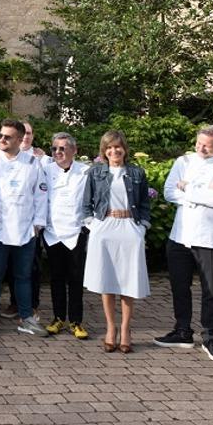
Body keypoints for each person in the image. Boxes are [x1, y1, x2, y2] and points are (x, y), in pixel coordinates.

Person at [157, 124, 213, 363]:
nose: (200, 148)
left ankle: (210, 336)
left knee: (211, 290)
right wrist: (201, 191)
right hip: (181, 234)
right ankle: (182, 331)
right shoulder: (183, 161)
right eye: (199, 142)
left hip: (210, 237)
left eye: (207, 145)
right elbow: (168, 192)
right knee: (179, 286)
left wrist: (188, 187)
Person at [0, 118, 49, 339]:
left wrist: (38, 224)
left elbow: (41, 195)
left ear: (20, 139)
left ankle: (26, 317)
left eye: (8, 137)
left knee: (23, 276)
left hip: (25, 229)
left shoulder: (32, 163)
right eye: (1, 136)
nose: (2, 140)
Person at [81, 130, 151, 354]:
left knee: (128, 280)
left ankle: (126, 329)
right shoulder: (96, 172)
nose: (114, 151)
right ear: (104, 151)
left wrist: (141, 228)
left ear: (124, 149)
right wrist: (93, 225)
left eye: (117, 147)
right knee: (107, 279)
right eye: (109, 148)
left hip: (129, 228)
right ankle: (110, 328)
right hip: (105, 227)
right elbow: (86, 203)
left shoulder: (136, 173)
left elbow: (143, 205)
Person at [41, 132, 90, 340]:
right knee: (56, 278)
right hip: (52, 233)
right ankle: (58, 317)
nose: (58, 152)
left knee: (76, 279)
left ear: (74, 150)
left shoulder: (86, 172)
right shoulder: (45, 169)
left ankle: (76, 321)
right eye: (54, 149)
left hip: (75, 232)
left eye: (62, 148)